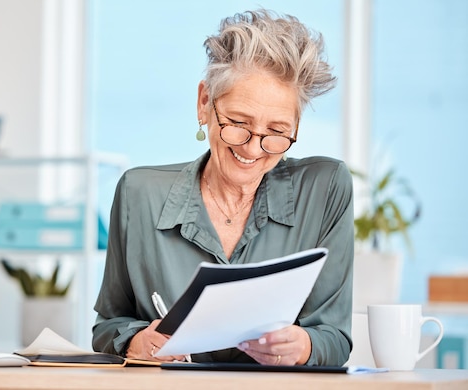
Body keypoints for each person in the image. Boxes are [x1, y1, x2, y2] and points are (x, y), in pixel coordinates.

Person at [92, 8, 353, 366]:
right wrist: (137, 341)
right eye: (238, 123)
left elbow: (335, 340)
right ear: (204, 103)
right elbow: (108, 326)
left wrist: (303, 346)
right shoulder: (139, 194)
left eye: (276, 132)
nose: (251, 148)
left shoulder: (325, 189)